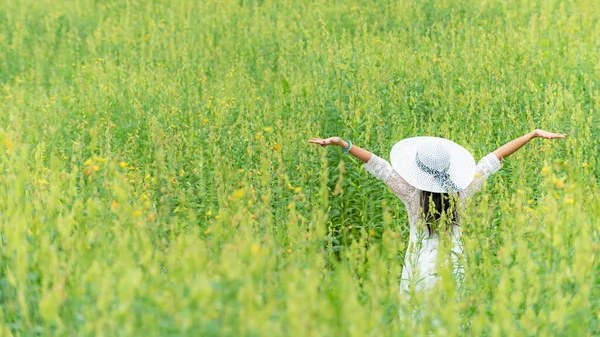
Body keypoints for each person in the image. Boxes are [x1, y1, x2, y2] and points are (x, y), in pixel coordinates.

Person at [308, 130, 566, 303]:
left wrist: (343, 144)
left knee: (417, 317)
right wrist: (532, 134)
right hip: (454, 263)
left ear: (418, 169)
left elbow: (379, 166)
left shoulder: (410, 194)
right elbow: (493, 158)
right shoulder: (463, 191)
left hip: (419, 264)